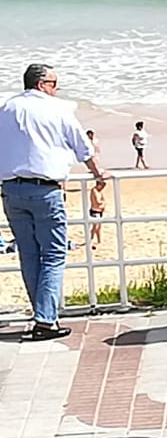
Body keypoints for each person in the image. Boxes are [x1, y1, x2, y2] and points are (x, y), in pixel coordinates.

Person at [0, 64, 107, 339]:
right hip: (45, 189)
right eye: (54, 83)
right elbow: (83, 147)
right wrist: (98, 174)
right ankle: (46, 320)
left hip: (11, 190)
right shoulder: (57, 109)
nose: (56, 89)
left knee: (28, 252)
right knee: (54, 253)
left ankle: (42, 315)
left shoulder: (7, 109)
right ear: (41, 84)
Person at [88, 179, 106, 248]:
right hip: (95, 211)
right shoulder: (94, 191)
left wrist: (103, 204)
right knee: (95, 227)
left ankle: (99, 240)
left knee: (99, 227)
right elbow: (98, 201)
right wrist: (102, 203)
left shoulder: (100, 192)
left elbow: (103, 200)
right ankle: (91, 239)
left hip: (100, 211)